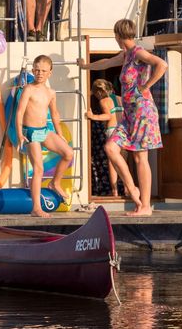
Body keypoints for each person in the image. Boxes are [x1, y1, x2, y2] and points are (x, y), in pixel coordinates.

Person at [78, 18, 167, 216]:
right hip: (128, 114)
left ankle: (144, 206)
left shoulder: (137, 52)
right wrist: (85, 67)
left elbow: (161, 65)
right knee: (111, 147)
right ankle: (133, 190)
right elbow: (107, 62)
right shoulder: (127, 55)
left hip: (142, 111)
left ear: (118, 36)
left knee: (139, 156)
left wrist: (146, 86)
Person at [15, 55, 74, 216]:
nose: (40, 73)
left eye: (43, 71)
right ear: (33, 70)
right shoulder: (28, 89)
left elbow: (54, 114)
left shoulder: (50, 92)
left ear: (50, 72)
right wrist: (20, 133)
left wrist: (60, 133)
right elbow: (19, 113)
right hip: (31, 133)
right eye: (37, 70)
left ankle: (55, 183)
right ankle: (36, 208)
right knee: (39, 168)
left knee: (68, 154)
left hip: (44, 130)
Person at [87, 79, 122, 197]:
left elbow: (107, 116)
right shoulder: (119, 99)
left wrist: (93, 116)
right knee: (123, 162)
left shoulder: (104, 101)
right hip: (123, 131)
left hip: (112, 131)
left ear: (98, 92)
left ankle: (115, 191)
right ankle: (127, 188)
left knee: (112, 163)